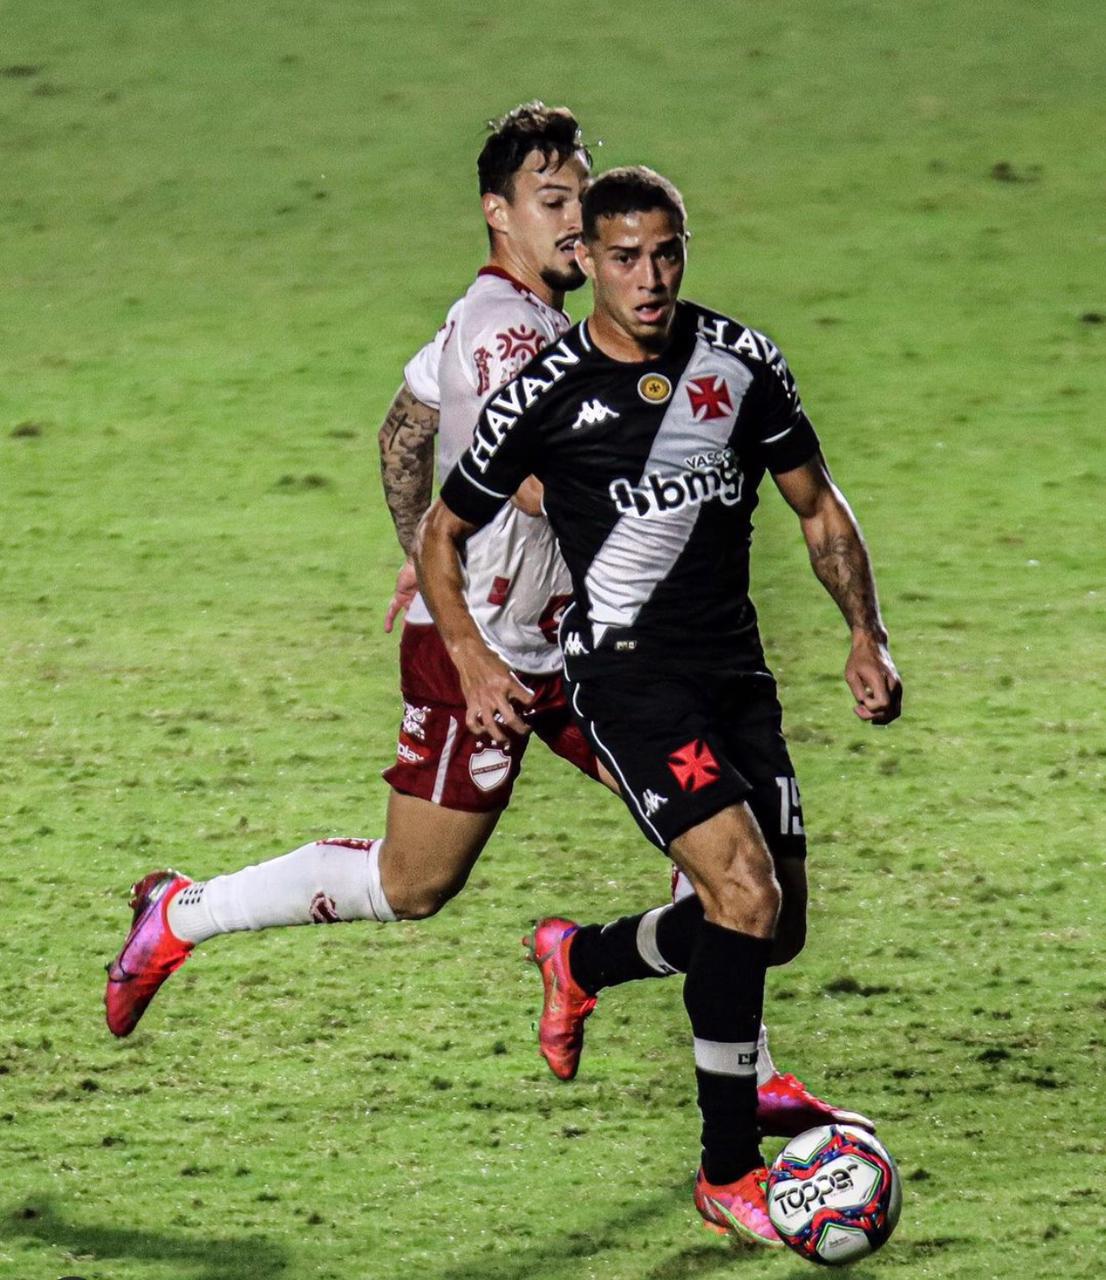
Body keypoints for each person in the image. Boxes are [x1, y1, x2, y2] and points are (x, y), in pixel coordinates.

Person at [102, 107, 867, 1149]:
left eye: (581, 197)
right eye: (553, 202)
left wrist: (418, 548)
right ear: (496, 214)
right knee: (411, 884)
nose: (575, 218)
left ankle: (731, 1055)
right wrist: (449, 603)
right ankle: (183, 911)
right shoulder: (516, 336)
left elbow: (405, 422)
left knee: (719, 852)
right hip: (498, 656)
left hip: (583, 648)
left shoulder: (519, 315)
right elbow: (552, 482)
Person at [414, 165, 902, 1246]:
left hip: (735, 670)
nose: (649, 278)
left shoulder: (739, 360)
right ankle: (726, 1171)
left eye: (666, 253)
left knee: (772, 927)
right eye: (624, 256)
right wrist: (474, 657)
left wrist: (863, 633)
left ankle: (580, 958)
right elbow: (440, 533)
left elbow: (816, 507)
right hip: (625, 677)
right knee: (739, 887)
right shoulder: (543, 394)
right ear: (584, 257)